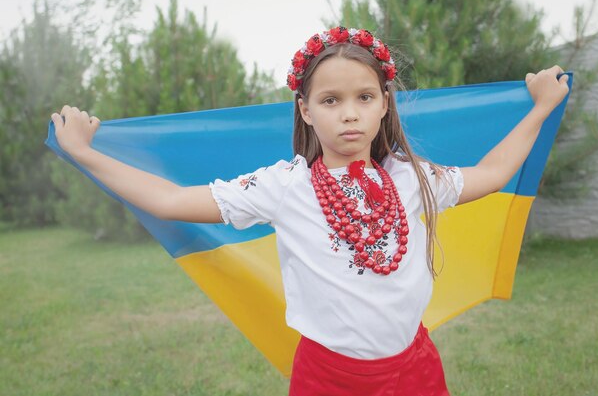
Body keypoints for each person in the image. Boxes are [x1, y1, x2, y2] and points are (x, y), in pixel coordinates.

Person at [50, 26, 569, 396]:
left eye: (364, 97)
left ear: (384, 103)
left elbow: (496, 174)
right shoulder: (285, 186)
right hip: (329, 379)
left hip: (414, 369)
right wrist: (87, 154)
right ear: (304, 109)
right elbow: (169, 199)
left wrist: (542, 107)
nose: (349, 113)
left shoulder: (414, 178)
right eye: (330, 100)